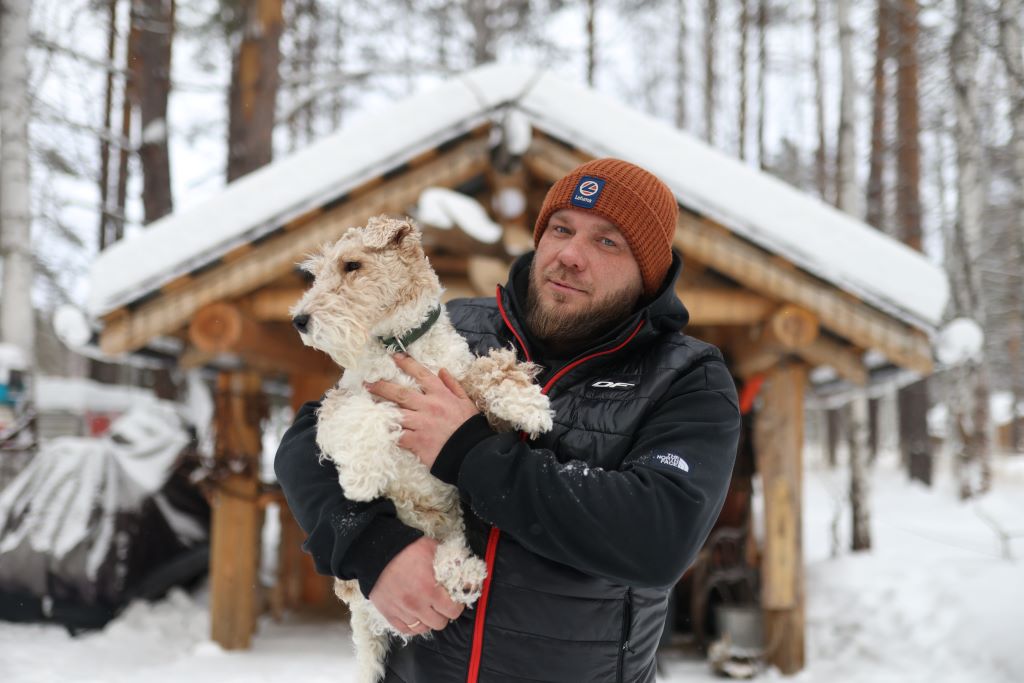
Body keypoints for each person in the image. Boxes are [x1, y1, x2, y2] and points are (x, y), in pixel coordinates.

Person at [275, 158, 741, 683]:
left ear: (647, 273)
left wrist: (470, 453)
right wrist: (371, 547)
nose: (570, 256)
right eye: (561, 229)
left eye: (607, 242)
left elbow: (658, 535)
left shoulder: (686, 378)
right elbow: (307, 441)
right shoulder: (453, 328)